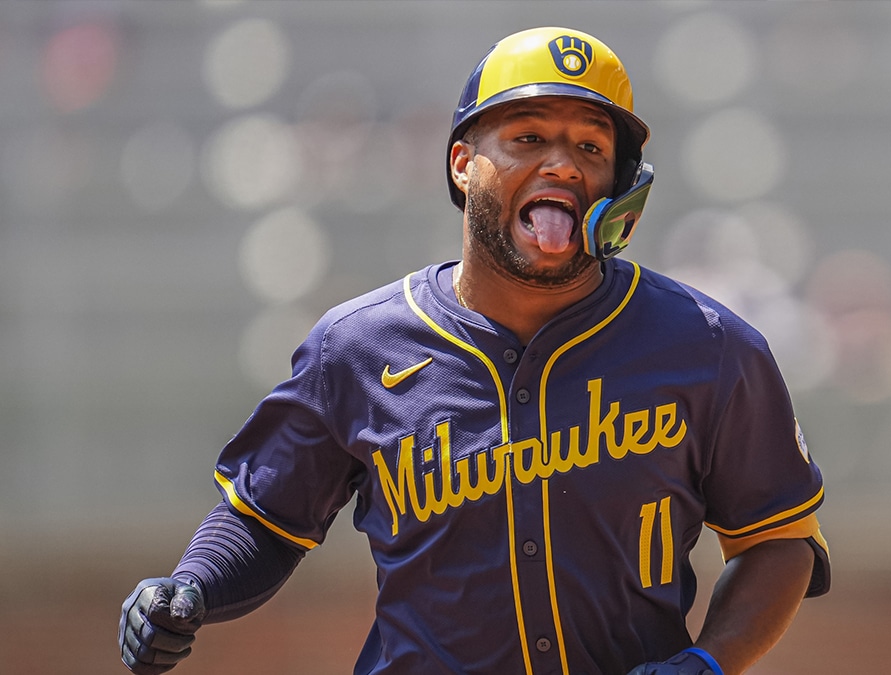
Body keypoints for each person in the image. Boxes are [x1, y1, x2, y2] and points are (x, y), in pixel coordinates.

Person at [119, 26, 830, 675]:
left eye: (591, 147)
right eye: (527, 138)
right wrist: (188, 586)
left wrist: (710, 662)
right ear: (462, 163)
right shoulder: (358, 347)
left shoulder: (707, 344)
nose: (564, 164)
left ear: (620, 184)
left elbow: (778, 539)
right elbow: (264, 517)